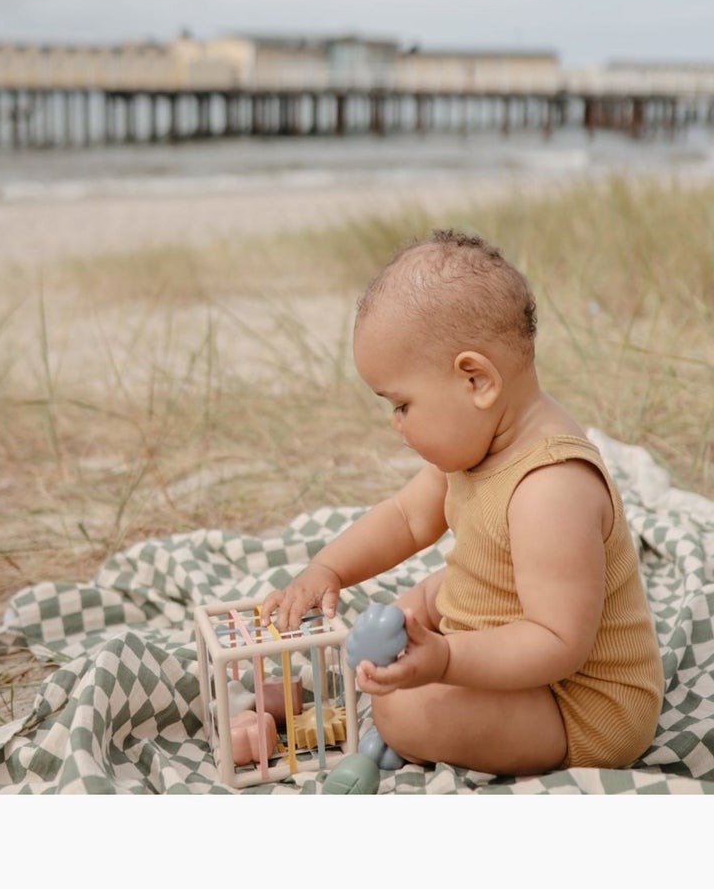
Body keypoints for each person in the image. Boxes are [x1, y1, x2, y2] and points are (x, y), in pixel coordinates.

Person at [260, 228, 664, 776]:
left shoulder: (551, 488)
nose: (395, 424)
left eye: (402, 404)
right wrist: (327, 568)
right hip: (506, 633)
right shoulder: (477, 445)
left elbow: (557, 642)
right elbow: (405, 518)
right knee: (409, 609)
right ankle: (432, 693)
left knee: (406, 708)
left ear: (476, 380)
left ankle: (426, 724)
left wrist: (447, 660)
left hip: (579, 703)